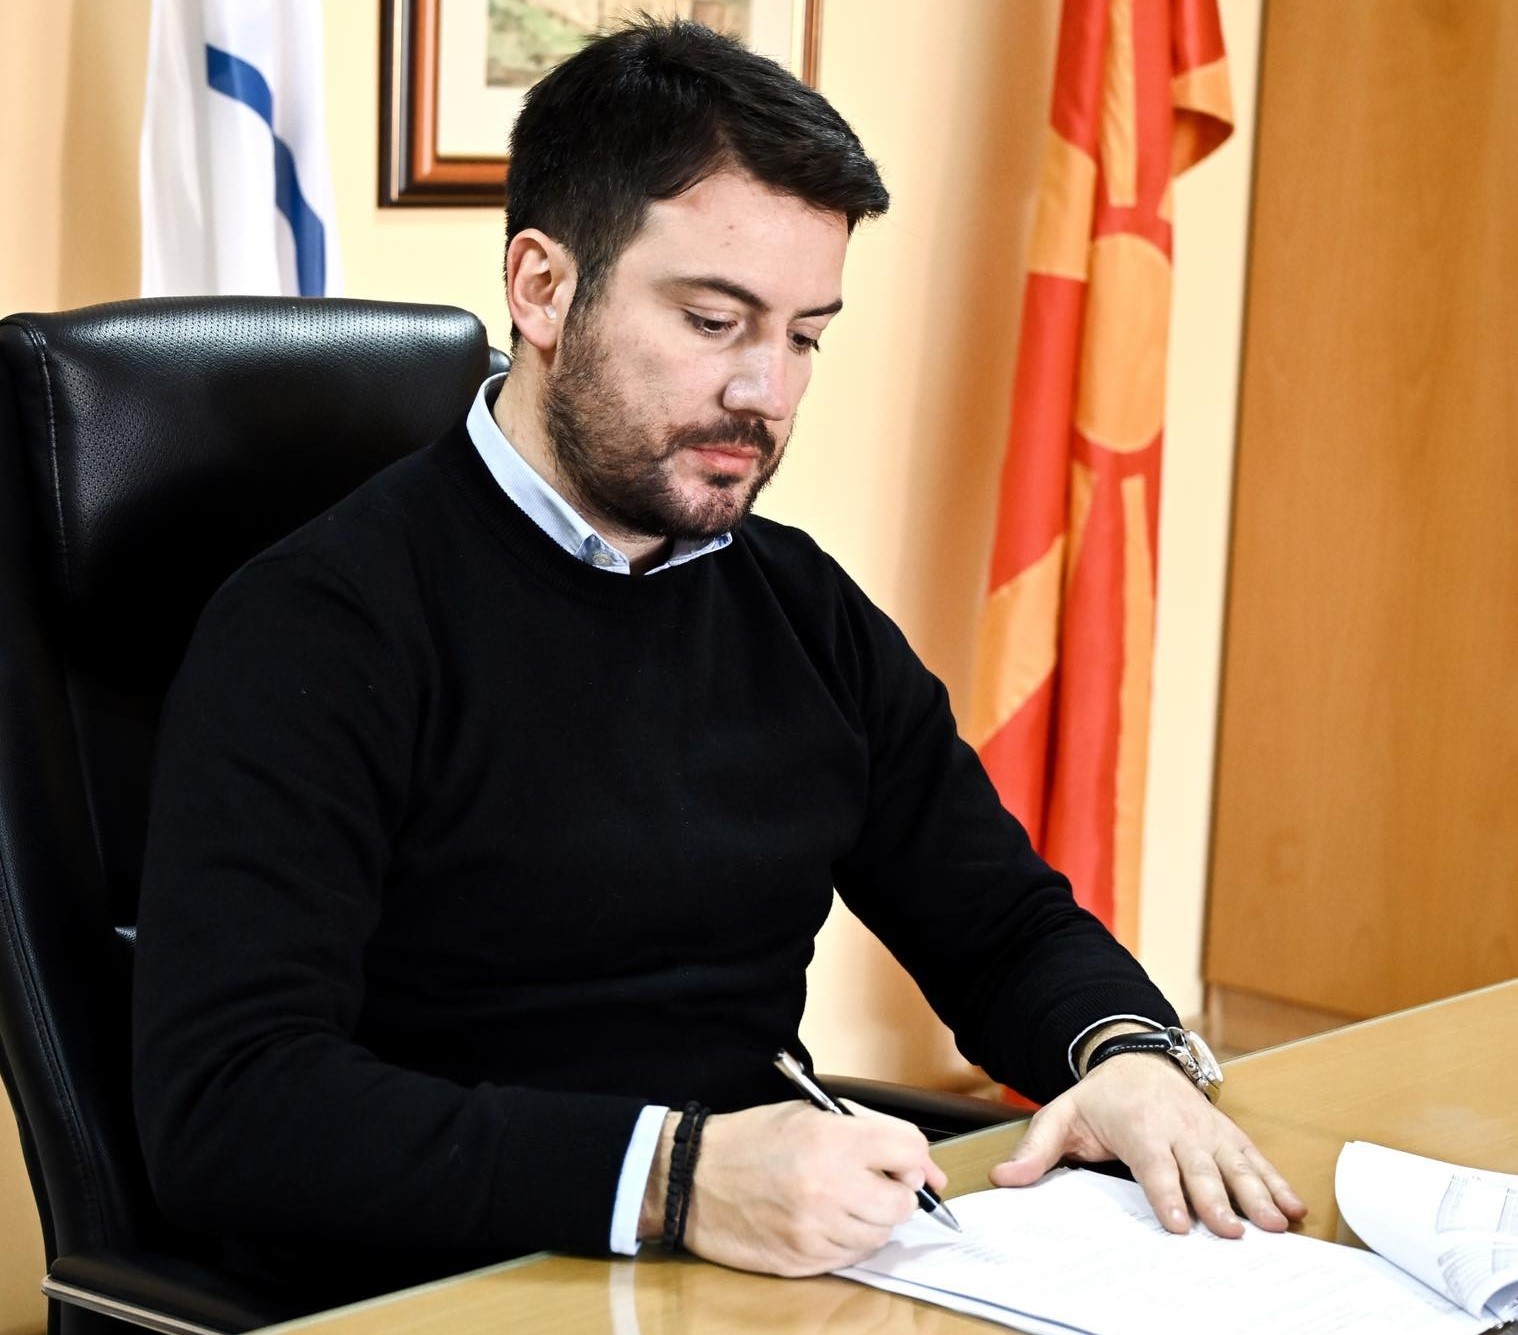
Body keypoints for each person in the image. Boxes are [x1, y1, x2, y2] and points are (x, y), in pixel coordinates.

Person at [132, 17, 1304, 1306]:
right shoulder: (318, 623)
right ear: (542, 289)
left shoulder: (795, 605)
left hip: (765, 1269)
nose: (767, 393)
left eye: (805, 336)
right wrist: (678, 1178)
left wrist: (1125, 1055)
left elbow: (1000, 923)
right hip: (449, 1286)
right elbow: (231, 1107)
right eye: (713, 320)